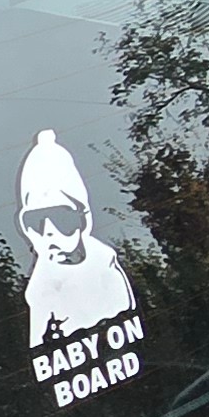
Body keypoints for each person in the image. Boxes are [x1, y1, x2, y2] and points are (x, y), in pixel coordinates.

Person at [17, 128, 138, 350]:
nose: (49, 232)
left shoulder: (107, 269)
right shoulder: (39, 290)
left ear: (84, 220)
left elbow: (135, 337)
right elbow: (37, 356)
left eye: (61, 217)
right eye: (35, 221)